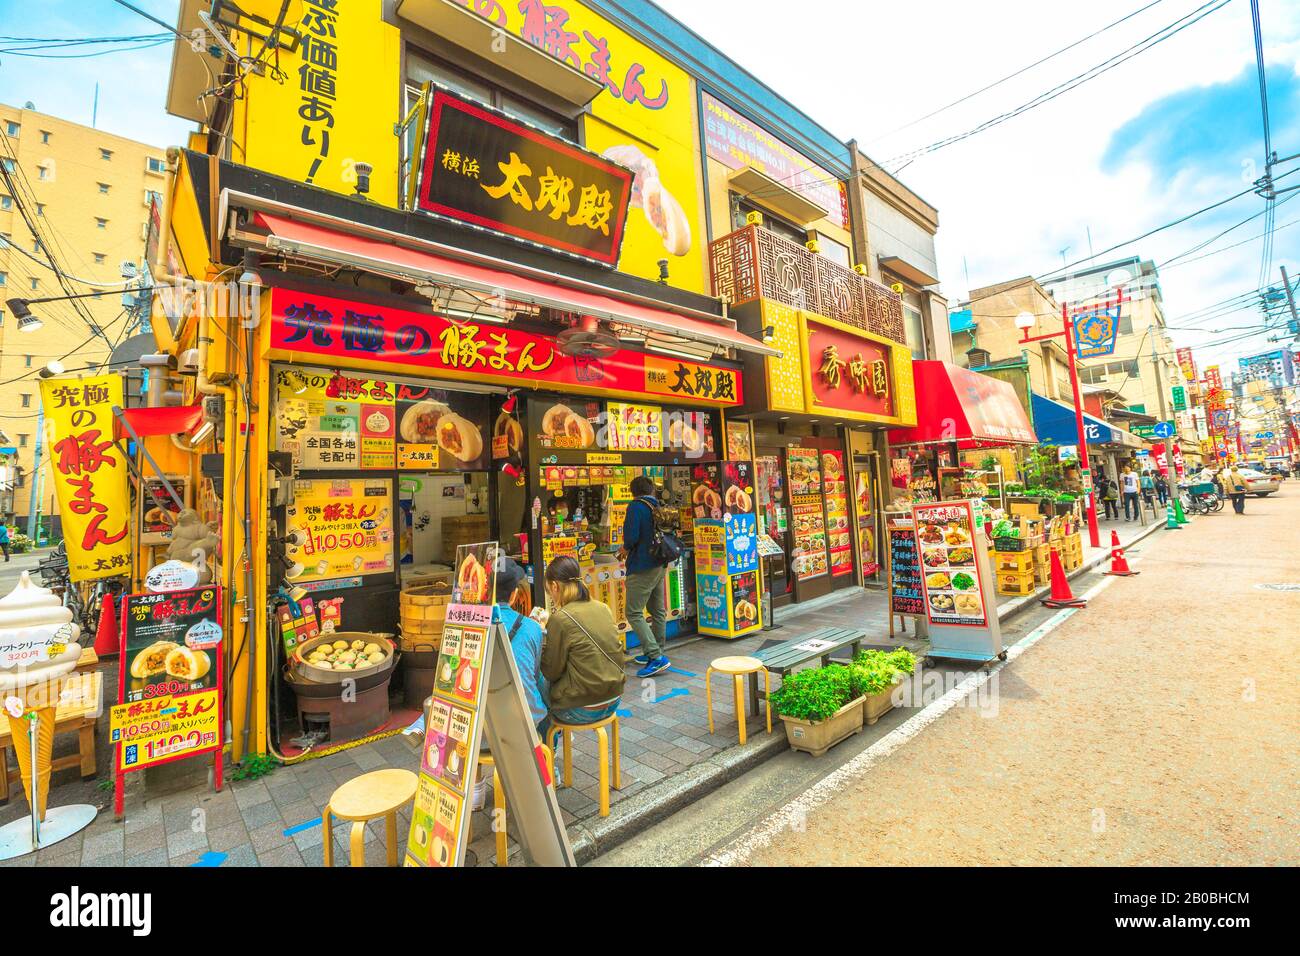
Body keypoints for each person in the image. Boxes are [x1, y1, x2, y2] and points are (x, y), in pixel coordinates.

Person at [540, 556, 626, 737]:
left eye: (550, 591)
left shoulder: (560, 619)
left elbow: (551, 671)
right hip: (614, 699)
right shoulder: (603, 608)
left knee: (535, 680)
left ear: (555, 586)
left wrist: (543, 636)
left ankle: (548, 750)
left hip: (580, 710)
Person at [621, 474, 670, 678]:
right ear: (651, 490)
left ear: (632, 492)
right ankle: (656, 649)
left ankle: (656, 657)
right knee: (657, 610)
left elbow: (631, 538)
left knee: (633, 612)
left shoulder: (635, 507)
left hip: (642, 565)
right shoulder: (656, 505)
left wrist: (624, 548)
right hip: (659, 563)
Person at [492, 556, 548, 733]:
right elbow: (534, 672)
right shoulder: (532, 627)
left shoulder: (472, 626)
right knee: (541, 686)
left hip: (482, 723)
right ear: (514, 594)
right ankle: (547, 752)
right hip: (526, 717)